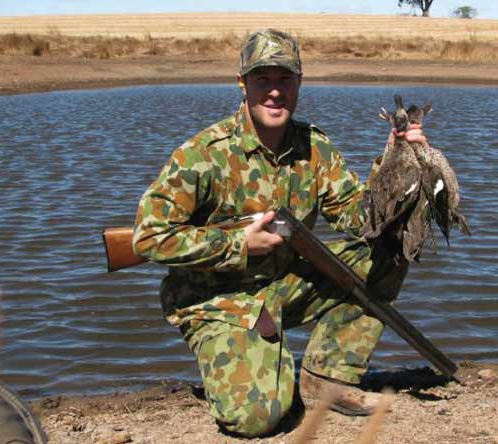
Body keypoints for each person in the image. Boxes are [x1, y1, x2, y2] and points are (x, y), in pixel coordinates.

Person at [132, 29, 424, 437]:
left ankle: (329, 377)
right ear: (242, 84)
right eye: (262, 80)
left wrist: (397, 160)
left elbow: (362, 221)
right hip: (218, 301)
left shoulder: (315, 147)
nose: (274, 92)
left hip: (284, 286)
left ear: (299, 83)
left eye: (284, 79)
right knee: (259, 419)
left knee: (390, 251)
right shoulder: (202, 154)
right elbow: (147, 236)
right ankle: (260, 359)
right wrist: (237, 244)